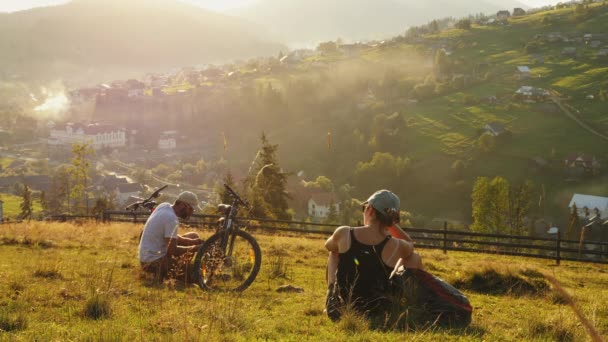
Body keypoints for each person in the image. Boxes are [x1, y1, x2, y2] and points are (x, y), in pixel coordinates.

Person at [324, 189, 423, 321]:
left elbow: (328, 246)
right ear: (391, 220)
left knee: (334, 252)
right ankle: (408, 303)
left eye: (364, 208)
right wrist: (391, 224)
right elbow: (410, 244)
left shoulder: (344, 233)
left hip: (341, 311)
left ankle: (331, 296)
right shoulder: (397, 245)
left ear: (370, 210)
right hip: (378, 312)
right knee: (414, 257)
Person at [138, 191, 204, 282]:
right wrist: (196, 247)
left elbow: (166, 235)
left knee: (193, 236)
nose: (191, 213)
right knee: (199, 273)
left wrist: (190, 241)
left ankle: (182, 267)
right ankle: (178, 272)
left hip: (145, 259)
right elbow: (173, 250)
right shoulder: (171, 219)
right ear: (184, 205)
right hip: (154, 263)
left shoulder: (164, 206)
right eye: (191, 209)